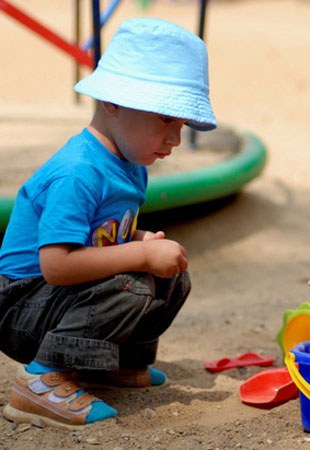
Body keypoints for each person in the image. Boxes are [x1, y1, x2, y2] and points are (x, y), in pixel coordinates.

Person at [0, 17, 216, 430]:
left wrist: (135, 240)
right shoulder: (79, 171)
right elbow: (57, 265)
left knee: (173, 279)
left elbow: (97, 238)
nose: (175, 138)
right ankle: (38, 382)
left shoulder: (131, 163)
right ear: (113, 102)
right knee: (128, 286)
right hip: (21, 305)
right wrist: (137, 253)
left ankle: (111, 364)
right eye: (166, 119)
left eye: (182, 124)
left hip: (55, 299)